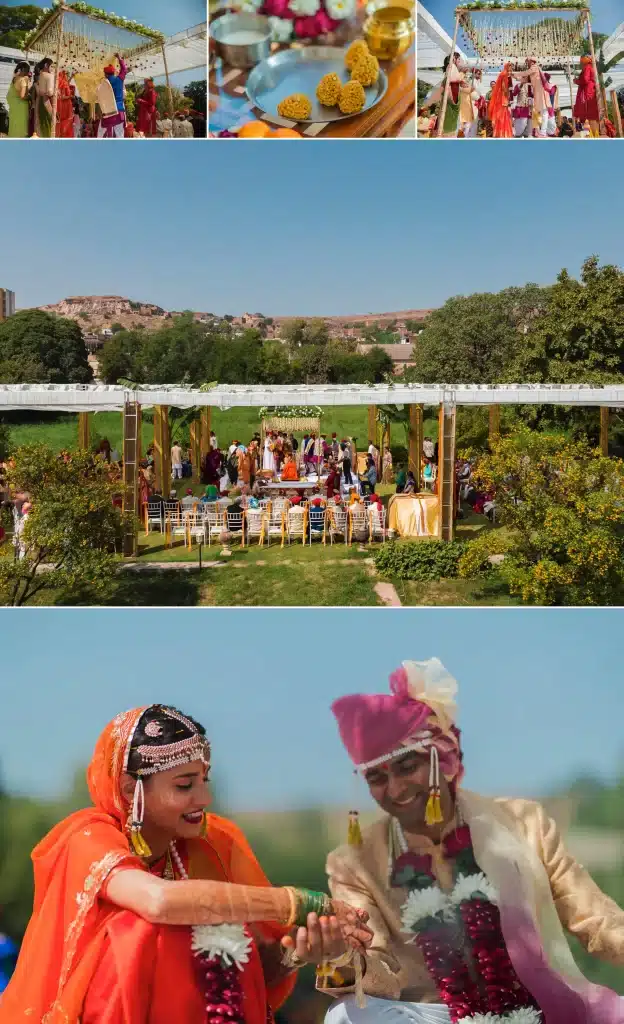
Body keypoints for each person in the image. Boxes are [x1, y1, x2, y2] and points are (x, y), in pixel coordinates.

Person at [0, 705, 372, 1023]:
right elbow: (158, 901)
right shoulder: (87, 837)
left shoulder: (214, 844)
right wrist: (299, 903)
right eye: (184, 785)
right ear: (132, 789)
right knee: (143, 927)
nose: (205, 797)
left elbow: (252, 969)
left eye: (204, 781)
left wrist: (297, 951)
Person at [320, 659, 624, 1024]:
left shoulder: (524, 824)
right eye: (376, 778)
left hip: (535, 1005)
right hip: (432, 1015)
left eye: (407, 766)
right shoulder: (353, 863)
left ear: (441, 758)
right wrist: (343, 955)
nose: (396, 790)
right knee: (345, 1015)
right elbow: (379, 969)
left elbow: (594, 918)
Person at [573, 55, 600, 138]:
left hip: (588, 92)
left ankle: (595, 137)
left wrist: (576, 81)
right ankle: (594, 136)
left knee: (590, 115)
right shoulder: (590, 67)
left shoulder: (587, 67)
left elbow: (585, 79)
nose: (580, 62)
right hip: (590, 91)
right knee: (592, 116)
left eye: (581, 60)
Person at [488, 63, 514, 139]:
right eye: (509, 70)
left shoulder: (505, 74)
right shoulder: (504, 74)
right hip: (502, 99)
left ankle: (501, 133)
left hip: (502, 99)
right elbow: (503, 87)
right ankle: (502, 134)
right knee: (501, 116)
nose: (510, 71)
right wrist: (507, 93)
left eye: (511, 70)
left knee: (503, 116)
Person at [6, 61, 30, 138]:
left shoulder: (15, 78)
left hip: (14, 107)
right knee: (21, 127)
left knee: (13, 125)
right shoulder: (23, 80)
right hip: (21, 108)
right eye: (27, 70)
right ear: (23, 69)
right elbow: (22, 96)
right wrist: (30, 98)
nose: (28, 72)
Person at [32, 58, 55, 137]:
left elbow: (39, 91)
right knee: (48, 125)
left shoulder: (40, 75)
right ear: (46, 65)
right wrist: (56, 91)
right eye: (52, 66)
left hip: (39, 101)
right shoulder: (49, 76)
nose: (52, 68)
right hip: (46, 102)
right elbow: (50, 92)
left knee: (39, 125)